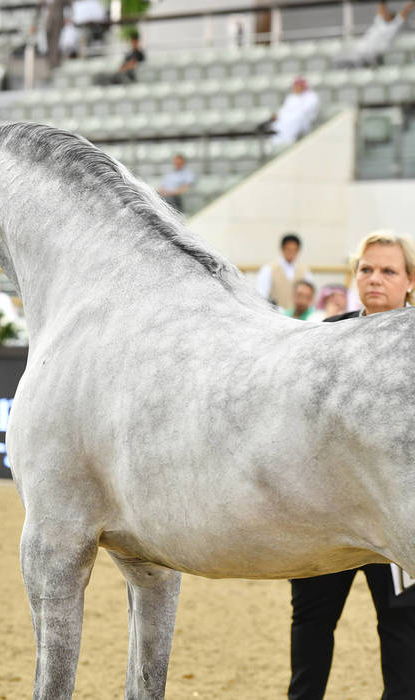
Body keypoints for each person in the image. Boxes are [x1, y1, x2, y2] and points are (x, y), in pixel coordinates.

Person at [288, 230, 415, 699]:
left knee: (403, 640)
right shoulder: (327, 337)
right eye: (366, 269)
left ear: (410, 282)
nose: (375, 279)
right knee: (310, 631)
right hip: (327, 515)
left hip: (397, 520)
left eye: (388, 271)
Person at [334, 1, 415, 68]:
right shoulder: (379, 22)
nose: (386, 14)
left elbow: (406, 11)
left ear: (392, 17)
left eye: (389, 14)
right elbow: (382, 5)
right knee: (338, 58)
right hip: (360, 51)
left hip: (374, 54)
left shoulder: (395, 26)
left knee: (356, 63)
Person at [256, 233, 314, 310]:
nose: (291, 253)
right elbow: (261, 295)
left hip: (299, 317)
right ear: (282, 249)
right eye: (288, 249)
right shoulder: (268, 269)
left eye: (294, 250)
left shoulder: (305, 271)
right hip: (275, 315)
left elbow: (309, 296)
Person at [264, 77, 320, 147]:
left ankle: (289, 143)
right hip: (287, 118)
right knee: (278, 123)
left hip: (303, 120)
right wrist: (277, 115)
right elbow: (284, 109)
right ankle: (277, 144)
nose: (296, 88)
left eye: (298, 86)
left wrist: (292, 116)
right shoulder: (291, 97)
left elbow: (306, 111)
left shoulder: (311, 96)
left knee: (292, 121)